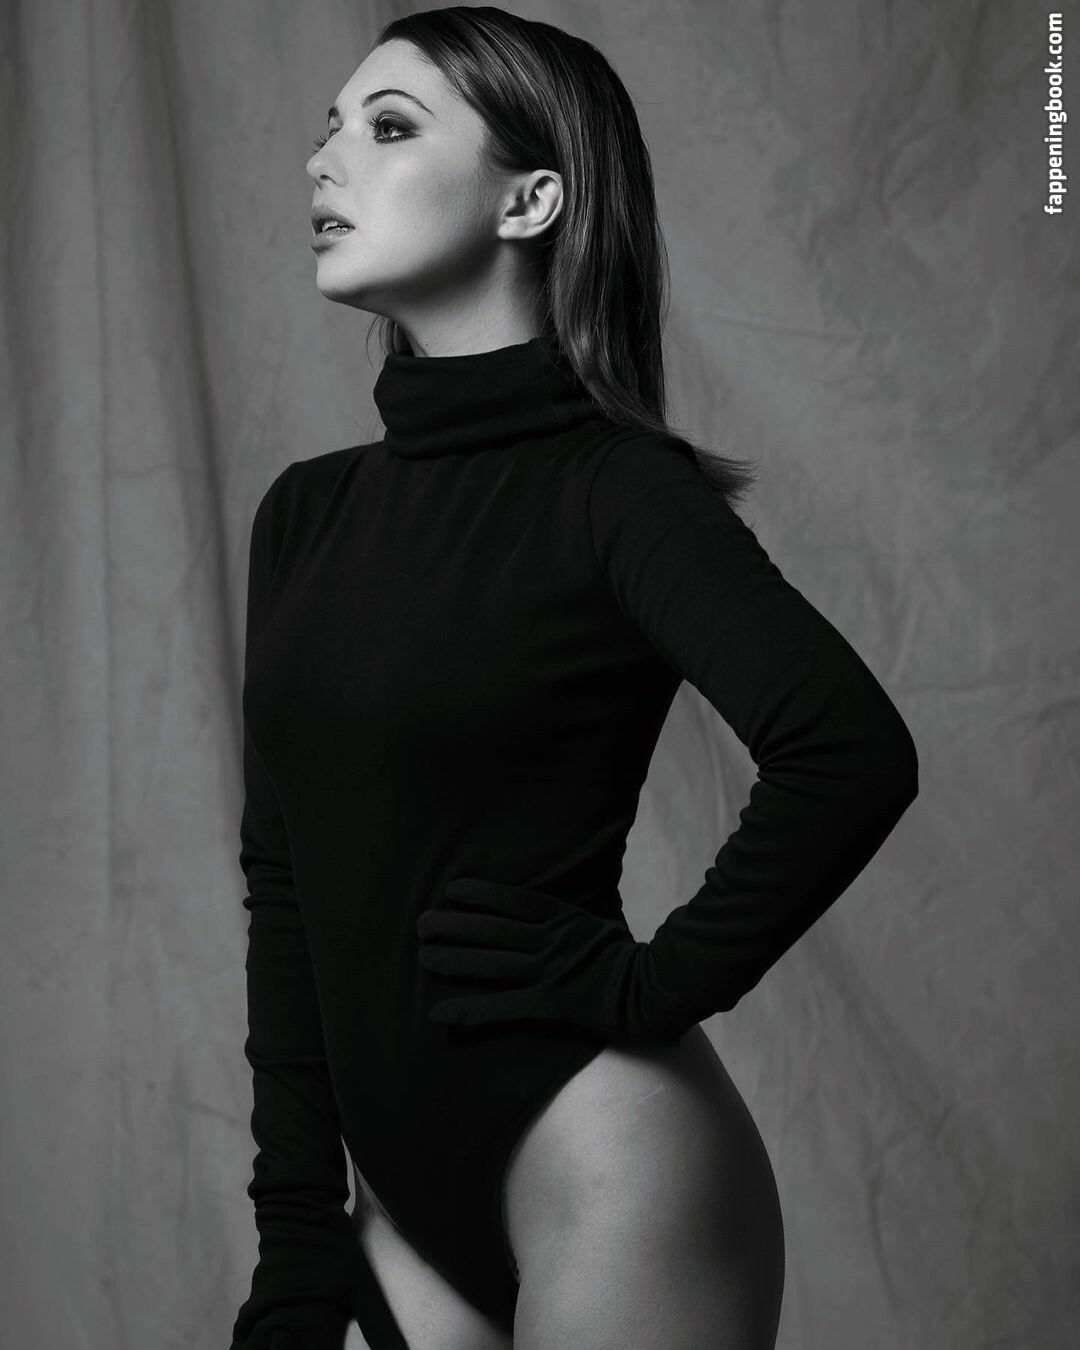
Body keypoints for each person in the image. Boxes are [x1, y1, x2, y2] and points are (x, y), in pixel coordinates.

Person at [228, 8, 919, 1350]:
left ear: (530, 199)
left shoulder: (616, 492)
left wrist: (647, 991)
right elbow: (286, 886)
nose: (325, 160)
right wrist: (297, 1233)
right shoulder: (303, 517)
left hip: (603, 1164)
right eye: (329, 127)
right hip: (396, 1202)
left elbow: (848, 750)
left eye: (388, 127)